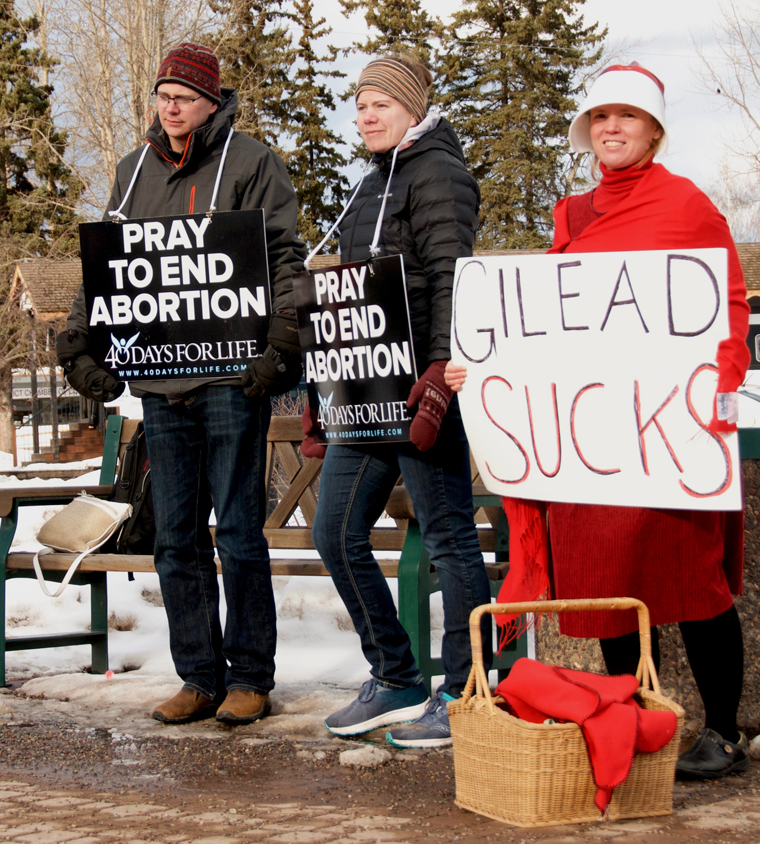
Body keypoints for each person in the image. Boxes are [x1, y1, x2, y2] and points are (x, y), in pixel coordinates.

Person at [447, 63, 752, 779]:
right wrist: (483, 368)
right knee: (612, 588)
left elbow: (727, 308)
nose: (613, 129)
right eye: (602, 118)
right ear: (589, 132)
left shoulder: (688, 207)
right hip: (592, 446)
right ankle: (635, 720)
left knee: (695, 585)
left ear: (653, 129)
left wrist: (721, 388)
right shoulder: (572, 214)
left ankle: (727, 732)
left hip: (664, 435)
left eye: (628, 118)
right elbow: (549, 330)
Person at [56, 43, 307, 725]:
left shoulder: (252, 163)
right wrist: (80, 338)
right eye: (163, 94)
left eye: (185, 97)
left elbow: (284, 254)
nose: (172, 106)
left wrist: (283, 335)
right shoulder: (131, 172)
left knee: (237, 533)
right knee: (176, 538)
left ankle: (250, 676)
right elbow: (107, 267)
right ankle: (198, 675)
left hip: (232, 374)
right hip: (162, 382)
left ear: (212, 102)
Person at [306, 53, 489, 749]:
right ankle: (395, 676)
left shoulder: (438, 174)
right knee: (336, 533)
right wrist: (327, 388)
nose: (366, 116)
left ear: (413, 109)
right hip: (365, 393)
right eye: (359, 106)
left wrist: (441, 368)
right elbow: (352, 294)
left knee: (447, 538)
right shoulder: (367, 187)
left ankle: (467, 689)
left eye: (380, 103)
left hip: (419, 391)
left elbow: (451, 275)